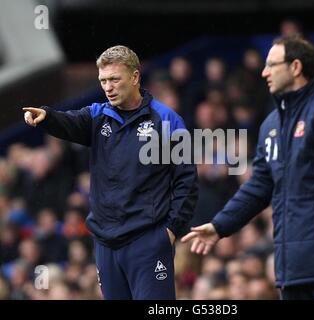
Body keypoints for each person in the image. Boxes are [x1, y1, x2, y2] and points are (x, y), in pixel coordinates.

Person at [182, 36, 314, 300]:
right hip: (291, 264)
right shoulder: (271, 125)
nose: (264, 71)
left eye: (272, 64)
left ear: (295, 67)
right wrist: (220, 226)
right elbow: (259, 187)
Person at [23, 45, 198, 300]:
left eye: (114, 79)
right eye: (103, 81)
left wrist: (170, 230)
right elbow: (70, 121)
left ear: (135, 77)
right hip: (106, 244)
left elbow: (186, 181)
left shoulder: (167, 120)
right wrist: (47, 117)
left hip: (147, 241)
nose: (108, 87)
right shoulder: (98, 115)